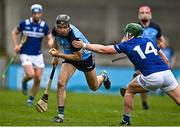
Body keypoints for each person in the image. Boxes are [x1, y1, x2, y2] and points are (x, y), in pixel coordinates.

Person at [72, 23, 180, 125]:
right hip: (167, 73)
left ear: (130, 33)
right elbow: (164, 58)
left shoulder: (127, 45)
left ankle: (126, 121)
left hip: (152, 76)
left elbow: (104, 49)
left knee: (129, 90)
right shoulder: (148, 40)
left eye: (126, 32)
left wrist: (84, 45)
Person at [48, 14, 111, 123]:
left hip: (84, 58)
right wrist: (55, 56)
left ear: (68, 26)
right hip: (70, 58)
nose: (62, 30)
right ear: (56, 26)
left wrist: (59, 54)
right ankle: (60, 115)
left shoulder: (74, 38)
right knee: (60, 83)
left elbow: (78, 57)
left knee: (94, 87)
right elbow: (56, 40)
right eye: (60, 28)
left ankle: (103, 77)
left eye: (64, 28)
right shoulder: (56, 31)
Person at [11, 4, 54, 105]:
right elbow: (14, 33)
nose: (37, 15)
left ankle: (30, 99)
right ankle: (24, 81)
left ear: (41, 13)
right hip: (25, 53)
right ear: (32, 13)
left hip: (37, 55)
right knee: (31, 75)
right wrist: (16, 45)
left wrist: (50, 42)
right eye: (35, 13)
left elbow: (50, 38)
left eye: (38, 13)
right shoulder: (24, 24)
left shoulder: (44, 26)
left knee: (38, 78)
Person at [130, 5, 167, 109]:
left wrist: (161, 44)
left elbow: (161, 41)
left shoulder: (156, 27)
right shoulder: (134, 28)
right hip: (140, 58)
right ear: (138, 15)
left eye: (146, 12)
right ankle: (144, 102)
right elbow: (126, 42)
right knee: (142, 76)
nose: (144, 14)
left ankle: (132, 87)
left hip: (153, 58)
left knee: (146, 80)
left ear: (150, 15)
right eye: (142, 12)